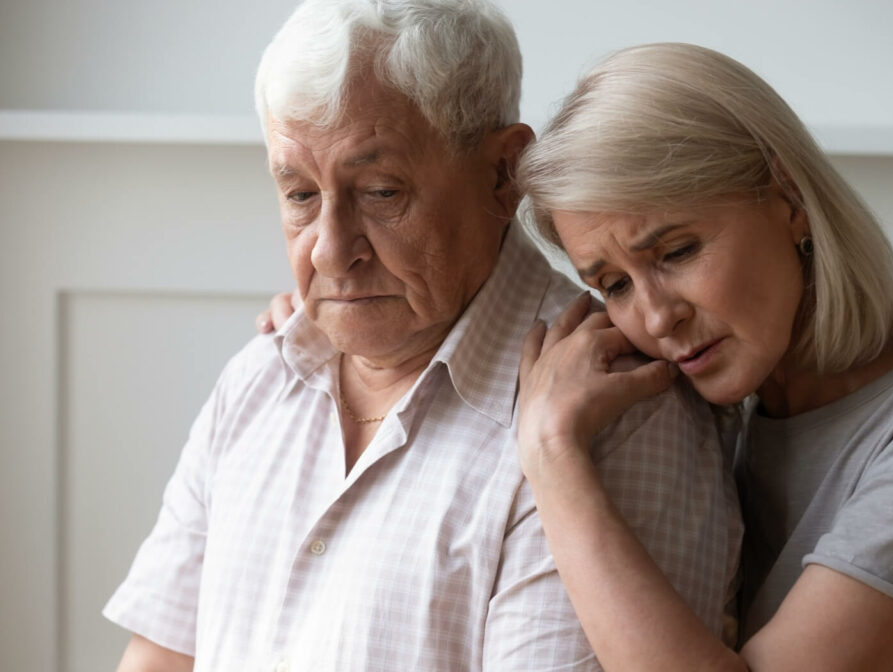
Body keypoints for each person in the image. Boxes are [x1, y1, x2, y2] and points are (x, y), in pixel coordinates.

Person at [104, 4, 741, 671]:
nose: (327, 252)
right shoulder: (260, 376)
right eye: (298, 194)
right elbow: (159, 656)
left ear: (503, 175)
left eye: (380, 192)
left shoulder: (615, 409)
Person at [512, 42, 893, 671]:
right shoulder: (719, 405)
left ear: (787, 196)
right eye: (614, 284)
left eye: (676, 252)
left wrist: (550, 454)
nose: (654, 317)